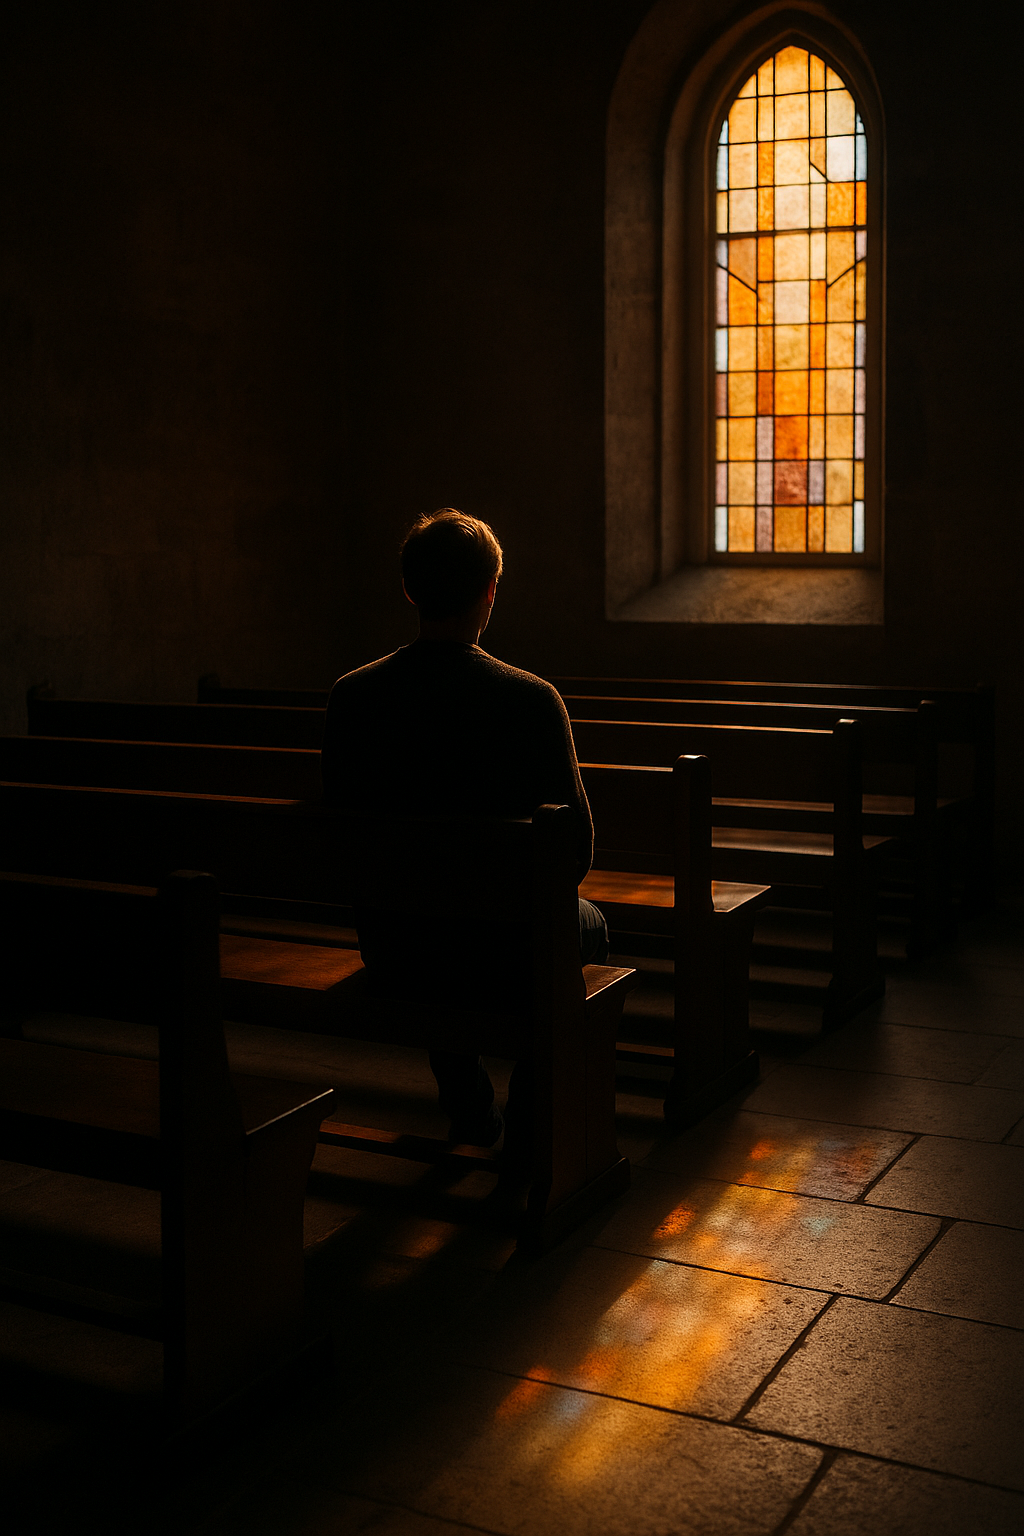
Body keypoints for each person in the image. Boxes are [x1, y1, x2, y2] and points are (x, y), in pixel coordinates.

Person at [320, 507, 607, 1156]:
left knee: (430, 914)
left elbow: (341, 837)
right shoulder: (532, 699)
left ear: (410, 590)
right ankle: (531, 1129)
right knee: (586, 926)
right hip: (503, 949)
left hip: (393, 945)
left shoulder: (354, 697)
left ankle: (472, 1110)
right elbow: (577, 854)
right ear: (490, 590)